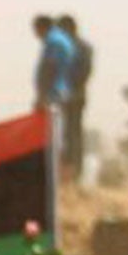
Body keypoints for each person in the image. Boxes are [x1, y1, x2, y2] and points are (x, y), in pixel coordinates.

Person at [31, 14, 77, 173]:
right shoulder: (62, 40)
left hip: (53, 94)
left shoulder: (54, 41)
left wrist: (42, 96)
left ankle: (53, 171)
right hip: (58, 92)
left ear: (41, 27)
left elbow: (50, 68)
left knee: (50, 135)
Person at [57, 15, 93, 178]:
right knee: (67, 134)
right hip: (66, 96)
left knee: (73, 135)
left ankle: (75, 171)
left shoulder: (81, 47)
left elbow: (83, 73)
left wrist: (69, 89)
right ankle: (68, 171)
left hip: (75, 97)